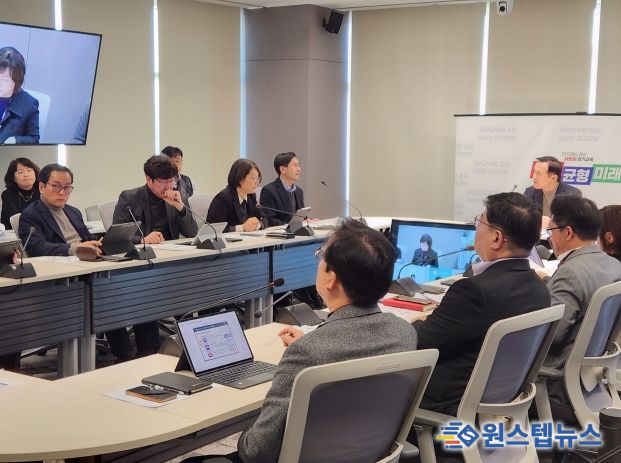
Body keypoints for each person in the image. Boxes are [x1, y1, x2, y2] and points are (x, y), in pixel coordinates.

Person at [180, 219, 418, 463]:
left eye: (320, 255)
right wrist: (314, 345)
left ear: (331, 279)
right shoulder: (404, 333)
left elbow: (256, 451)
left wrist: (245, 432)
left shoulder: (309, 352)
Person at [412, 192, 550, 415]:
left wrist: (421, 322)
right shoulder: (539, 288)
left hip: (445, 405)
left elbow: (419, 343)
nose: (476, 229)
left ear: (496, 238)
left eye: (480, 222)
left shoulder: (474, 291)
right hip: (496, 402)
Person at [543, 196, 621, 419]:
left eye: (551, 231)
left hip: (559, 383)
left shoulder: (570, 272)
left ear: (567, 232)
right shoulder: (613, 265)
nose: (550, 238)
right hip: (591, 380)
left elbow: (551, 337)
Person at [18, 164, 102, 257]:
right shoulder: (30, 215)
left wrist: (101, 243)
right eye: (56, 186)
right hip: (62, 261)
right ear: (41, 187)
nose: (62, 192)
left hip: (86, 258)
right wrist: (76, 248)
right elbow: (37, 247)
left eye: (67, 187)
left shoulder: (74, 211)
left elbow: (88, 238)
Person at [112, 155, 198, 245]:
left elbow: (192, 234)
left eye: (172, 180)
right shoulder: (129, 198)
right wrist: (142, 240)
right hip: (144, 251)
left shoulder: (176, 197)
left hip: (171, 249)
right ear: (149, 179)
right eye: (164, 181)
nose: (169, 186)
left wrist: (181, 208)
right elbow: (117, 236)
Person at [207, 159, 267, 232]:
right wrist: (242, 228)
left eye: (258, 178)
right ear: (240, 179)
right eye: (253, 178)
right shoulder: (223, 198)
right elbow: (212, 230)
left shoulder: (251, 196)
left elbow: (264, 219)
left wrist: (258, 225)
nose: (257, 182)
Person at [523, 156, 582, 228]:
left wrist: (550, 223)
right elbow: (524, 217)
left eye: (538, 173)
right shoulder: (530, 192)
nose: (534, 177)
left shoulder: (572, 195)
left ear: (553, 178)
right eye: (534, 172)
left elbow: (572, 222)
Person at [0, 47, 39, 144]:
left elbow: (34, 139)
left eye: (4, 80)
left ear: (17, 81)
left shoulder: (30, 105)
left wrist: (16, 140)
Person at [259, 152, 304, 226]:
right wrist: (290, 225)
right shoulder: (268, 191)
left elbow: (301, 217)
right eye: (295, 165)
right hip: (280, 232)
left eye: (299, 165)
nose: (299, 169)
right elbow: (269, 220)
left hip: (297, 231)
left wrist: (306, 221)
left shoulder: (299, 191)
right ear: (282, 169)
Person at [1, 157, 40, 229]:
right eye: (21, 172)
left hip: (38, 231)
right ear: (14, 178)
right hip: (13, 233)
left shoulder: (41, 193)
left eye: (29, 170)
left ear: (35, 173)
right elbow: (15, 219)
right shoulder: (7, 195)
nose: (26, 175)